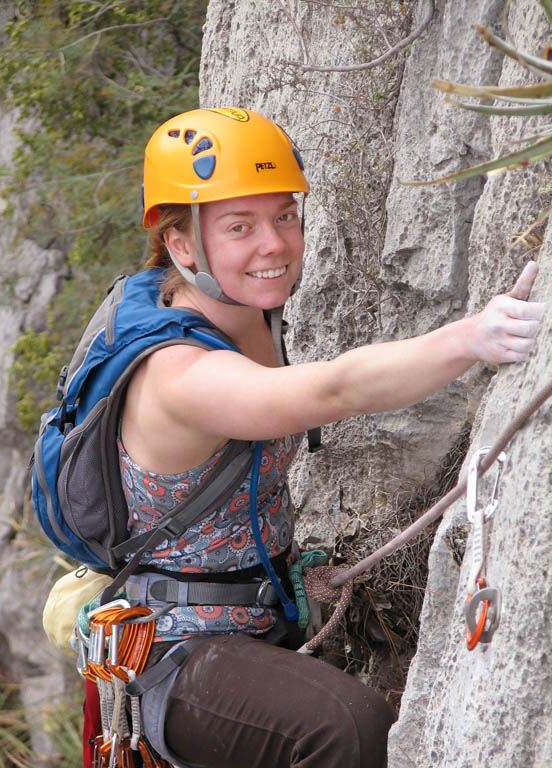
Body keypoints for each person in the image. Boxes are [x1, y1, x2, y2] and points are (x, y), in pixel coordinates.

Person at [116, 107, 544, 768]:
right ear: (182, 246)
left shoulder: (235, 308)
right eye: (240, 226)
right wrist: (474, 338)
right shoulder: (178, 376)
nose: (275, 244)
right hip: (180, 656)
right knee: (348, 726)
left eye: (285, 216)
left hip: (251, 616)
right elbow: (332, 390)